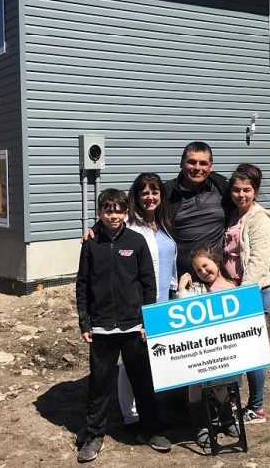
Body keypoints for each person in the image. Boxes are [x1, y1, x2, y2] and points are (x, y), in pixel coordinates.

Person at [75, 188, 172, 462]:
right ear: (99, 213)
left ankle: (149, 430)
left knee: (143, 381)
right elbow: (82, 285)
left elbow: (148, 284)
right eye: (107, 211)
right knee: (99, 385)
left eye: (118, 210)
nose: (113, 215)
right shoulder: (91, 243)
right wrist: (85, 321)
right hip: (102, 329)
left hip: (133, 327)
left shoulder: (136, 241)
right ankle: (93, 435)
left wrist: (147, 321)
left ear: (126, 212)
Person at [117, 173, 177, 432]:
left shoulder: (162, 224)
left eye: (155, 192)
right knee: (130, 364)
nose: (150, 197)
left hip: (164, 303)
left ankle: (149, 410)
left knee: (153, 360)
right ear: (136, 196)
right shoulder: (129, 227)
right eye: (144, 192)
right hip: (139, 306)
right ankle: (131, 417)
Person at [223, 163, 270, 424]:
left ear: (255, 191)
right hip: (231, 292)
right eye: (236, 190)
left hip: (251, 294)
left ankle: (256, 407)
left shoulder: (260, 220)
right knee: (233, 350)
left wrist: (242, 295)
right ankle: (232, 399)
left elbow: (258, 262)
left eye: (246, 190)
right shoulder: (235, 215)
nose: (241, 195)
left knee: (252, 352)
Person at [177, 245, 239, 448]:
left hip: (221, 348)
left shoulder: (232, 287)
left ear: (216, 261)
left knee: (221, 384)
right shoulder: (197, 289)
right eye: (198, 270)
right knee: (195, 385)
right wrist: (181, 288)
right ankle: (201, 426)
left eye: (205, 266)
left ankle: (227, 419)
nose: (203, 272)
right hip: (198, 349)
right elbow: (182, 308)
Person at [164, 141, 234, 278]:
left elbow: (247, 211)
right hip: (183, 276)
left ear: (211, 167)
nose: (197, 168)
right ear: (181, 163)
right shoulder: (167, 193)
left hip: (218, 274)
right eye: (191, 162)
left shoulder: (223, 188)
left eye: (203, 163)